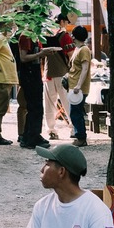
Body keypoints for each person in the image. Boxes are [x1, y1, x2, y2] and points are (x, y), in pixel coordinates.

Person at [16, 30, 60, 149]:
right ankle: (31, 137)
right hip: (29, 75)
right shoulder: (26, 36)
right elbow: (23, 57)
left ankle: (30, 135)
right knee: (34, 107)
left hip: (34, 74)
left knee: (36, 107)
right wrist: (40, 54)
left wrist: (43, 52)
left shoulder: (34, 35)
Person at [42, 12, 74, 140]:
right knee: (67, 103)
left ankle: (51, 131)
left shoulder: (44, 36)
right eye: (66, 22)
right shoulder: (65, 36)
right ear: (62, 22)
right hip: (63, 74)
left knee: (49, 104)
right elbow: (71, 55)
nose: (67, 24)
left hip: (48, 73)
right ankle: (73, 129)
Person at [65, 25, 93, 147]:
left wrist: (78, 85)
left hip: (78, 88)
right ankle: (79, 135)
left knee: (76, 112)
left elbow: (85, 68)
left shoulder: (84, 50)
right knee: (75, 112)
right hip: (74, 85)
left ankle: (81, 137)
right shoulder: (78, 49)